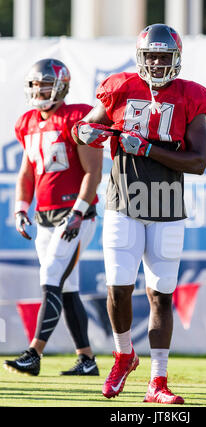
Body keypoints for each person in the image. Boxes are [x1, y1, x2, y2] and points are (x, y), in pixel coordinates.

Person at [72, 24, 206, 404]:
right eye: (150, 55)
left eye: (163, 56)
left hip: (167, 205)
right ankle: (123, 355)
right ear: (140, 57)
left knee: (161, 296)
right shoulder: (120, 87)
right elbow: (88, 127)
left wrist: (147, 149)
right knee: (118, 288)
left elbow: (198, 161)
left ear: (176, 59)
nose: (156, 62)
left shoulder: (192, 97)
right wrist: (83, 132)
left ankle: (158, 381)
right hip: (124, 203)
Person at [3, 58, 103, 376]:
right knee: (67, 286)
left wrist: (77, 212)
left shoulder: (77, 117)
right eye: (34, 84)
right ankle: (87, 360)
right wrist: (21, 207)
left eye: (45, 83)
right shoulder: (27, 122)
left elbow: (94, 172)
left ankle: (34, 353)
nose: (38, 90)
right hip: (44, 216)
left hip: (75, 215)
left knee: (50, 277)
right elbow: (27, 172)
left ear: (61, 86)